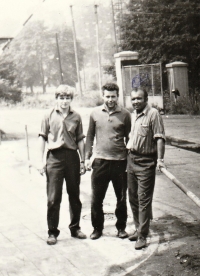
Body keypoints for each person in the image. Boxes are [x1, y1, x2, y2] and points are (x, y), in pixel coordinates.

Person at [37, 84, 87, 245]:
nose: (64, 101)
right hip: (54, 158)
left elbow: (80, 139)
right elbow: (42, 138)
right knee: (53, 198)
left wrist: (83, 160)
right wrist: (40, 161)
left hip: (72, 157)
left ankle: (75, 228)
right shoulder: (48, 115)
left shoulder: (76, 117)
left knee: (74, 195)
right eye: (61, 98)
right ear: (56, 98)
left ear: (71, 99)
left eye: (67, 98)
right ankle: (52, 232)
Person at [85, 83, 131, 240]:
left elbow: (130, 138)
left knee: (121, 198)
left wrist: (130, 159)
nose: (110, 99)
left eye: (113, 96)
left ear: (117, 96)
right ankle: (97, 229)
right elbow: (90, 136)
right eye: (107, 96)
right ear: (102, 96)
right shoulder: (95, 113)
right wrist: (87, 157)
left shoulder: (125, 114)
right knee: (97, 198)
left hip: (120, 162)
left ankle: (121, 228)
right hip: (100, 162)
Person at [127, 87, 166, 250]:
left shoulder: (153, 114)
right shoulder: (132, 115)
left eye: (139, 99)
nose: (136, 101)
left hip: (146, 162)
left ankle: (143, 235)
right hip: (131, 160)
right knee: (133, 198)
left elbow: (159, 138)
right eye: (133, 99)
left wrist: (160, 159)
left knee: (143, 199)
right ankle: (138, 228)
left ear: (146, 99)